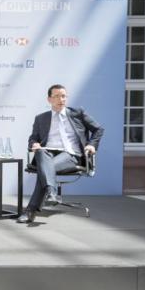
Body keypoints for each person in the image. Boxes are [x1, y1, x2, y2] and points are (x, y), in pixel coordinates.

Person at [17, 84, 104, 224]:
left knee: (45, 169)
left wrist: (91, 145)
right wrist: (34, 144)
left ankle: (31, 210)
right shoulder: (41, 118)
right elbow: (33, 138)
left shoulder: (77, 113)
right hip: (47, 152)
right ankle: (51, 194)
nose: (61, 99)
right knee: (41, 154)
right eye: (57, 96)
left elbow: (99, 129)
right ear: (49, 99)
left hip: (71, 154)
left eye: (63, 96)